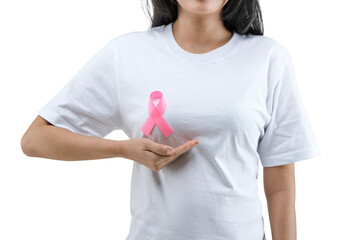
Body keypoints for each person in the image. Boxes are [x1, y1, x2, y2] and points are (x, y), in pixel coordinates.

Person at [21, 0, 321, 239]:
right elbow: (36, 139)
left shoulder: (269, 59)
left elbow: (280, 181)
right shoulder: (127, 53)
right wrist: (123, 150)